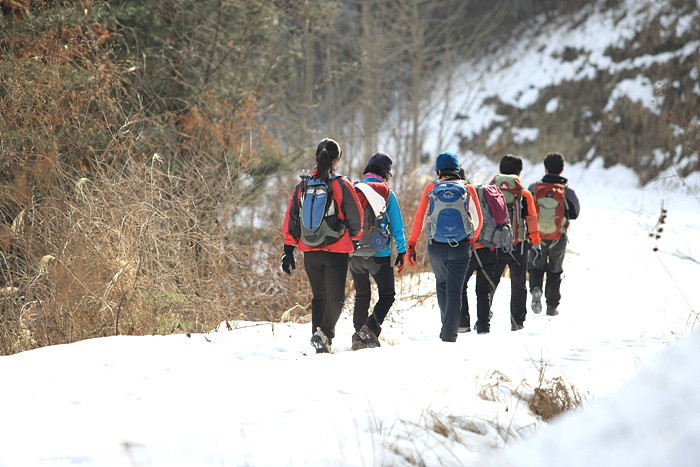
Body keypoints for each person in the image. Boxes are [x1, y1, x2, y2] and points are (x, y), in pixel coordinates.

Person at [281, 138, 364, 354]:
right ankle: (325, 334)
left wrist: (288, 250)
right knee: (336, 298)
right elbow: (357, 217)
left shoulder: (303, 185)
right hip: (336, 249)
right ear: (337, 159)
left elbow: (292, 218)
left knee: (319, 297)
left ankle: (319, 343)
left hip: (309, 250)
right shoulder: (341, 184)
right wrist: (354, 238)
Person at [406, 152, 483, 342]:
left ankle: (446, 323)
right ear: (457, 170)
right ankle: (449, 332)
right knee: (455, 290)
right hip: (461, 246)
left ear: (439, 170)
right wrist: (472, 239)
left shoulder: (431, 188)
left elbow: (419, 218)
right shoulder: (468, 189)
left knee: (441, 283)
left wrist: (412, 244)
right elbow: (479, 220)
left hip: (436, 247)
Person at [349, 153, 407, 350]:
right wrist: (402, 249)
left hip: (354, 253)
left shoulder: (354, 190)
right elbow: (397, 226)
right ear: (386, 174)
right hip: (379, 253)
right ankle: (370, 328)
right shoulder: (387, 193)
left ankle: (359, 336)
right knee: (387, 294)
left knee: (361, 295)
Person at [490, 154, 541, 331]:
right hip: (518, 244)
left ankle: (484, 313)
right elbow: (532, 219)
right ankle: (517, 322)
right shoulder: (524, 194)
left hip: (493, 244)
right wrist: (535, 244)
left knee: (490, 280)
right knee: (518, 283)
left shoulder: (489, 190)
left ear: (500, 170)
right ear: (519, 172)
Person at [527, 152, 580, 316]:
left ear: (545, 168)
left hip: (536, 236)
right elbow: (575, 214)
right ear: (562, 170)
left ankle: (536, 289)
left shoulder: (533, 188)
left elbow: (526, 211)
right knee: (555, 270)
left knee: (535, 266)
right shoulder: (568, 192)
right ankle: (552, 306)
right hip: (559, 237)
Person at [459, 168, 498, 335]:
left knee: (460, 286)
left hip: (470, 249)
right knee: (483, 289)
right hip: (489, 247)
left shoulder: (458, 194)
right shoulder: (481, 192)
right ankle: (484, 326)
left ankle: (463, 323)